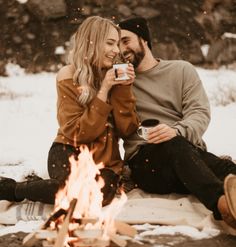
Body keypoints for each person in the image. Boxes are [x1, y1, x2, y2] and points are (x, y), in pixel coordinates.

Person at [0, 16, 139, 206]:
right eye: (110, 43)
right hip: (68, 149)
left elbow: (128, 129)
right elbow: (78, 134)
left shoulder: (116, 75)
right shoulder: (68, 76)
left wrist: (124, 87)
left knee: (95, 196)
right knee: (69, 190)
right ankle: (13, 189)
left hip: (106, 161)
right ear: (92, 42)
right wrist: (104, 90)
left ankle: (40, 187)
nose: (116, 50)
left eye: (117, 44)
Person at [118, 16, 236, 228]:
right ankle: (223, 207)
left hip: (189, 153)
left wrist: (177, 130)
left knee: (227, 169)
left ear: (143, 39)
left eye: (126, 41)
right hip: (147, 163)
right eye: (116, 44)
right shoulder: (120, 83)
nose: (121, 48)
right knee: (176, 147)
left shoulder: (181, 70)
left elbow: (199, 111)